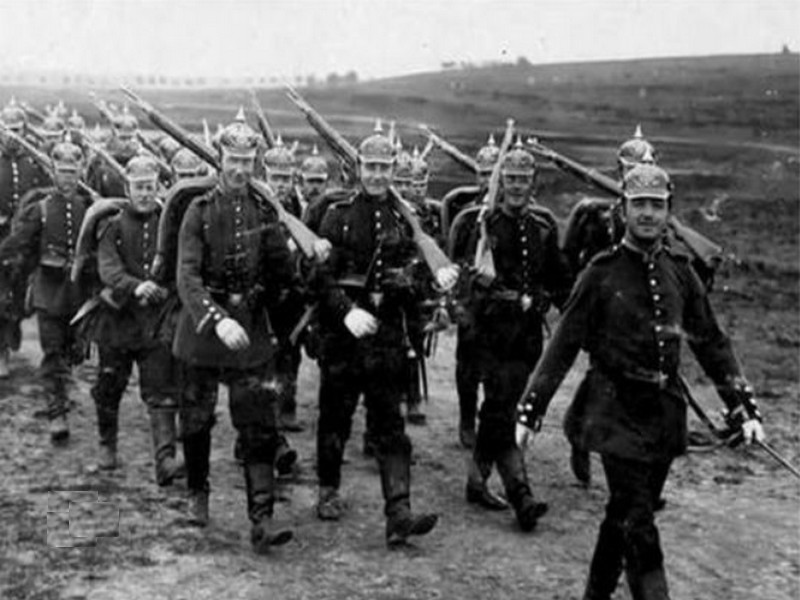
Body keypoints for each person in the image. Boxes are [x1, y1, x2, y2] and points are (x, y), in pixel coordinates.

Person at [515, 162, 765, 600]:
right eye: (639, 205)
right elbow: (563, 344)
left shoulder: (681, 271)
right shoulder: (600, 271)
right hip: (612, 411)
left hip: (663, 414)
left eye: (656, 205)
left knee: (625, 516)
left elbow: (711, 342)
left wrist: (743, 406)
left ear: (668, 211)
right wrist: (531, 409)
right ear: (623, 209)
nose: (648, 214)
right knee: (639, 523)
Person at [313, 124, 448, 547]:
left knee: (390, 426)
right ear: (358, 169)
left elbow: (419, 278)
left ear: (393, 170)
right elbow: (318, 278)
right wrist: (346, 311)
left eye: (384, 168)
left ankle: (398, 512)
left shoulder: (406, 220)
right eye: (370, 167)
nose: (376, 175)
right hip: (343, 337)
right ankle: (328, 489)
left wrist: (424, 289)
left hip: (386, 337)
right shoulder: (335, 216)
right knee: (335, 418)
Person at [172, 113, 296, 553]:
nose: (240, 169)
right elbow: (186, 275)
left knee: (259, 425)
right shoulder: (198, 211)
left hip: (250, 333)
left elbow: (282, 273)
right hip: (204, 330)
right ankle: (197, 492)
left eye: (247, 161)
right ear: (219, 159)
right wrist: (217, 318)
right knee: (196, 420)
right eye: (232, 160)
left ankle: (262, 518)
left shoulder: (264, 211)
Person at [461, 140, 571, 531]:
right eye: (511, 178)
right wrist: (498, 293)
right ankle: (521, 495)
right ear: (501, 181)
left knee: (500, 409)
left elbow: (558, 278)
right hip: (490, 334)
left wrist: (552, 300)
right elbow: (466, 280)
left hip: (526, 337)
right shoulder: (483, 225)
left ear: (533, 182)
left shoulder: (542, 228)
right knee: (502, 411)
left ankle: (477, 480)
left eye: (524, 178)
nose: (518, 186)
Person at [81, 154, 185, 487]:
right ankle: (107, 446)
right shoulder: (111, 226)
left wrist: (164, 289)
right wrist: (136, 286)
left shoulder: (169, 226)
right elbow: (108, 269)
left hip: (156, 322)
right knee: (110, 386)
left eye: (150, 187)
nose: (144, 193)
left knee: (162, 391)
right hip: (117, 321)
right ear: (127, 189)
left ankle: (165, 460)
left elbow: (180, 266)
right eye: (138, 187)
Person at [0, 137, 92, 441]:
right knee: (52, 352)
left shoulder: (90, 207)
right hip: (48, 293)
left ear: (81, 171)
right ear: (53, 172)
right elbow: (17, 244)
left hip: (79, 294)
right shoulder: (39, 209)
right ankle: (56, 413)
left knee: (72, 351)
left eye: (73, 171)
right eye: (62, 171)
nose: (68, 178)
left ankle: (63, 395)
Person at [442, 135, 500, 448]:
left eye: (493, 174)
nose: (488, 181)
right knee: (468, 365)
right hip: (473, 300)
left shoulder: (520, 212)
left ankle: (491, 420)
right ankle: (467, 419)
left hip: (503, 303)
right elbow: (454, 258)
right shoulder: (465, 214)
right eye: (482, 174)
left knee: (500, 368)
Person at [0, 98, 51, 378]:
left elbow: (47, 195)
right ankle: (1, 352)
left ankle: (14, 331)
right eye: (7, 129)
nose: (12, 135)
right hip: (0, 240)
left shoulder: (35, 161)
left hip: (27, 242)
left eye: (17, 129)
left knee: (20, 296)